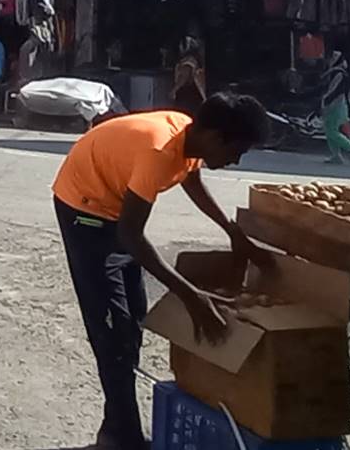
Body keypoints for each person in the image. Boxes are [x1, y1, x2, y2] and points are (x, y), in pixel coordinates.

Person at [51, 93, 272, 450]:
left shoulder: (188, 135)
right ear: (215, 137)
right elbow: (130, 234)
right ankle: (121, 438)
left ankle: (115, 425)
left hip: (116, 207)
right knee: (111, 330)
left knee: (133, 318)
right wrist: (191, 296)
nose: (235, 160)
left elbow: (192, 180)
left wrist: (233, 232)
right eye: (237, 151)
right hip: (85, 208)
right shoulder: (157, 152)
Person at [320, 50, 350, 164]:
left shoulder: (339, 73)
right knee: (330, 130)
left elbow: (335, 91)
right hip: (338, 104)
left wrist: (326, 100)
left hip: (335, 105)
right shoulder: (335, 72)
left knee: (331, 131)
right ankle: (336, 156)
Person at [171, 27, 207, 116]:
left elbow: (185, 75)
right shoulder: (197, 61)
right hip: (194, 95)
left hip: (185, 93)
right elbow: (200, 79)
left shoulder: (187, 61)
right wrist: (204, 96)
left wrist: (174, 89)